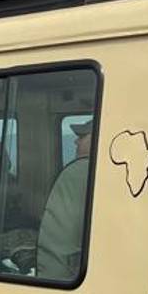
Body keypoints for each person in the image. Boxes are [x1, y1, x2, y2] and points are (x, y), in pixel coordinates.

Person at [36, 118, 93, 281]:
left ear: (97, 138)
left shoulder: (77, 174)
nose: (76, 141)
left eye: (82, 136)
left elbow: (58, 250)